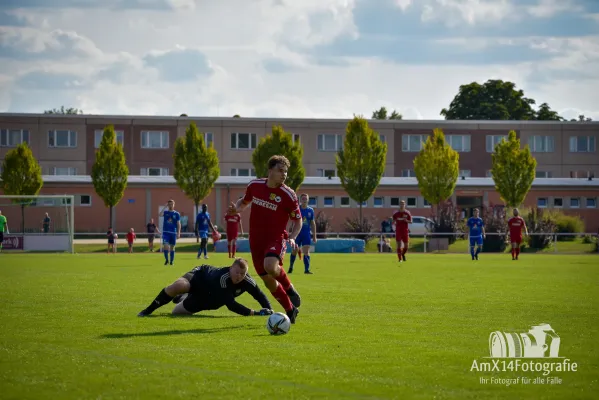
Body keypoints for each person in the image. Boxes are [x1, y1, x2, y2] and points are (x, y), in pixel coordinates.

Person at [229, 155, 302, 324]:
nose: (284, 175)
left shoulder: (288, 195)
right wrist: (237, 209)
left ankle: (290, 288)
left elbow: (298, 220)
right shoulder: (255, 186)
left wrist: (292, 237)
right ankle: (290, 310)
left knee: (271, 266)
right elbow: (244, 201)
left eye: (286, 172)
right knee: (268, 281)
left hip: (276, 238)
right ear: (270, 171)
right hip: (255, 241)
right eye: (280, 170)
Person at [137, 258, 274, 317]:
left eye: (242, 274)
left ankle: (183, 298)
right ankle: (147, 311)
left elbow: (259, 295)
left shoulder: (247, 281)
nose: (239, 276)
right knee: (179, 285)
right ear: (231, 268)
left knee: (175, 313)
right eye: (236, 272)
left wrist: (270, 311)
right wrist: (256, 313)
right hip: (199, 277)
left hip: (207, 298)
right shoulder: (223, 278)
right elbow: (231, 305)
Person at [288, 193, 316, 274]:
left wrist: (314, 236)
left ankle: (307, 270)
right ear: (300, 200)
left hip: (306, 234)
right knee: (295, 250)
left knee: (306, 251)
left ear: (308, 200)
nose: (304, 200)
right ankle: (291, 266)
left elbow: (312, 223)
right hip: (297, 233)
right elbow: (292, 221)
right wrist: (289, 233)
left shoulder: (310, 210)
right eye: (303, 199)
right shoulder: (297, 210)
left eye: (305, 199)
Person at [160, 199, 181, 266]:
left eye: (172, 204)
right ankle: (166, 260)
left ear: (174, 204)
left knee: (172, 247)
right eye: (169, 204)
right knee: (166, 246)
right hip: (166, 232)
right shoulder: (166, 212)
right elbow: (160, 214)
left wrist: (178, 232)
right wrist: (164, 207)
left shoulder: (177, 214)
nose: (170, 205)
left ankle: (171, 261)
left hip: (173, 233)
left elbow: (178, 224)